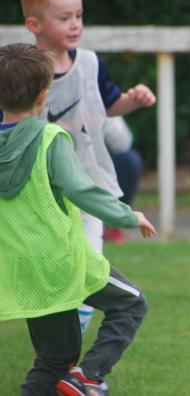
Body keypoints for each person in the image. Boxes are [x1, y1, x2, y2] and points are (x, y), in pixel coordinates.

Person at [0, 43, 156, 396]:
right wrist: (127, 216)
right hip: (61, 262)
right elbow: (82, 189)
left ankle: (78, 376)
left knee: (53, 361)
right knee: (131, 303)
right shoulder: (49, 139)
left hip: (24, 271)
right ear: (44, 95)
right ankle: (89, 376)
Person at [21, 0, 156, 332]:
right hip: (41, 192)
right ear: (34, 24)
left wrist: (133, 100)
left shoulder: (91, 64)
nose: (75, 24)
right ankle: (53, 348)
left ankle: (68, 353)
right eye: (64, 18)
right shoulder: (23, 70)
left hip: (87, 184)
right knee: (49, 273)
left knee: (91, 266)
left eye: (79, 16)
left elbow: (109, 105)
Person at [104, 116, 144, 244]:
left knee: (130, 160)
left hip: (101, 164)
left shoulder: (99, 99)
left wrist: (101, 119)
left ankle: (114, 223)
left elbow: (124, 143)